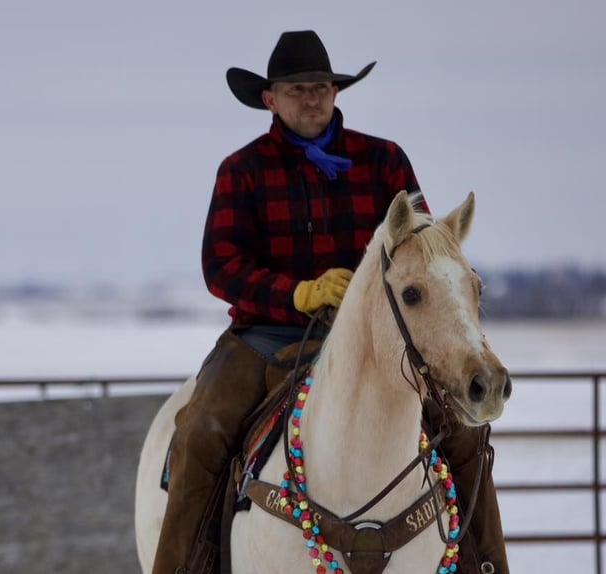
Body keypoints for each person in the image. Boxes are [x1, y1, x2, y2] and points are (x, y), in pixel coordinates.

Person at [153, 30, 509, 574]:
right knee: (202, 432)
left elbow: (422, 251)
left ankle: (486, 566)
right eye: (296, 90)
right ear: (270, 99)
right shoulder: (241, 171)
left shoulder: (385, 161)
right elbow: (220, 265)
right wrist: (297, 294)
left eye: (320, 86)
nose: (311, 98)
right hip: (266, 336)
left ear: (336, 92)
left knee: (462, 434)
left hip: (374, 339)